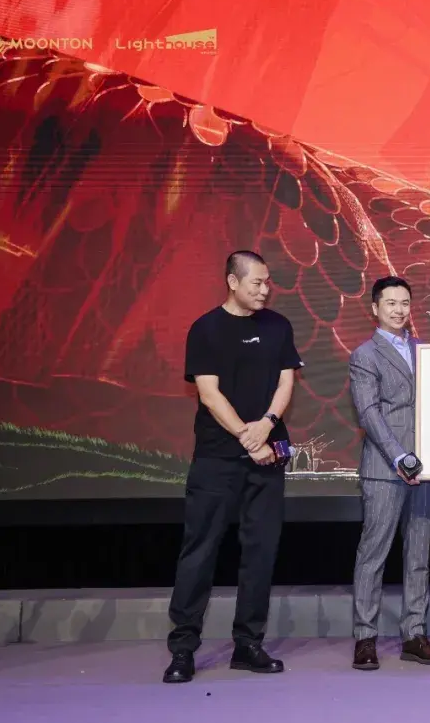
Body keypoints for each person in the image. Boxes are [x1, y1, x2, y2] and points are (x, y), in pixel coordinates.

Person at [162, 250, 303, 684]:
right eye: (256, 282)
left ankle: (248, 644)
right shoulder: (206, 329)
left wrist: (267, 425)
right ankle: (183, 648)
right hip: (216, 459)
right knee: (199, 551)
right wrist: (247, 435)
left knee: (260, 551)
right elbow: (209, 393)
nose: (264, 289)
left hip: (267, 457)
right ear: (232, 281)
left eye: (267, 282)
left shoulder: (278, 325)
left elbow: (286, 381)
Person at [348, 276, 430, 670]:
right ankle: (365, 638)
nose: (399, 309)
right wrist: (400, 457)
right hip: (385, 469)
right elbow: (368, 413)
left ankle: (414, 634)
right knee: (373, 555)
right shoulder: (364, 355)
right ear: (375, 308)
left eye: (405, 302)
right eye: (390, 303)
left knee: (418, 555)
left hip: (426, 468)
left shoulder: (426, 352)